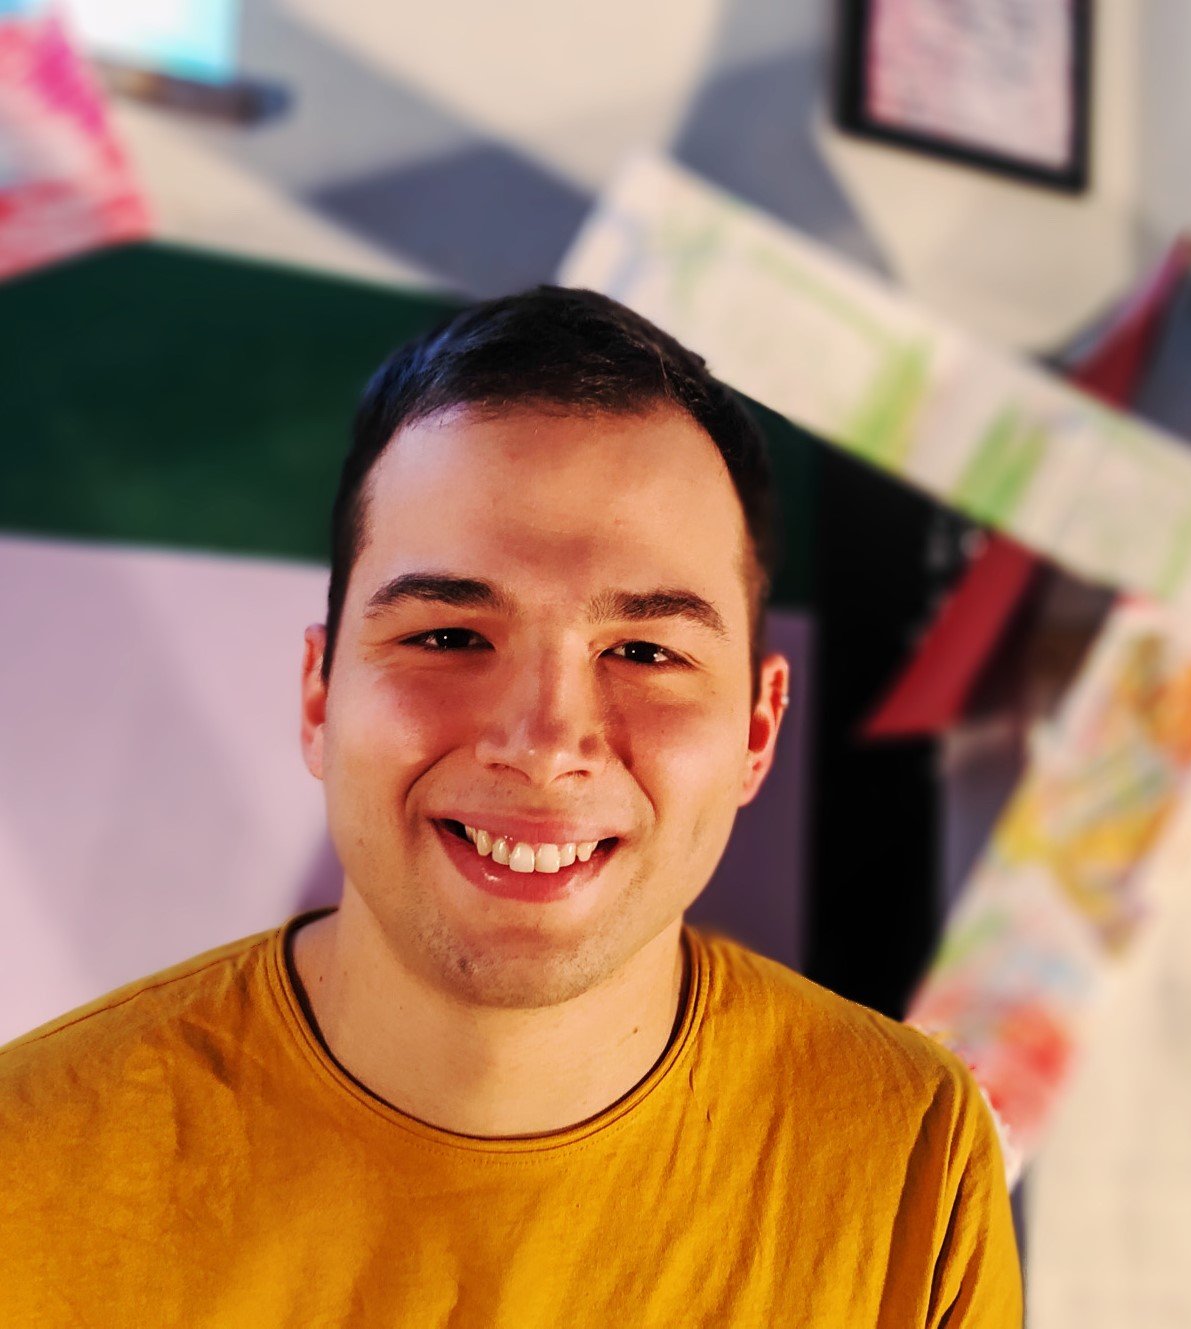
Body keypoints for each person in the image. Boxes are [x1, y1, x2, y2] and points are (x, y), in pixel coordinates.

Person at [0, 287, 1022, 1325]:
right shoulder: (26, 1162)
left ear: (757, 732)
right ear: (319, 695)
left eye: (644, 651)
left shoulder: (912, 1153)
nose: (542, 742)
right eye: (448, 636)